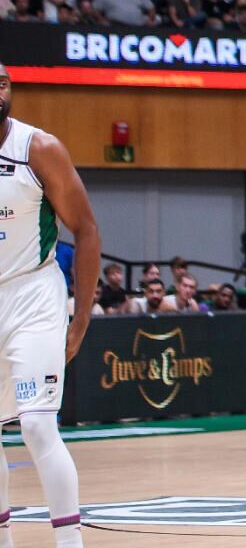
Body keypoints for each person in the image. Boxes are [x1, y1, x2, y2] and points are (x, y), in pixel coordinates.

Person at [0, 61, 102, 548]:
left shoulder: (38, 148)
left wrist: (79, 317)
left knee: (37, 425)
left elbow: (85, 230)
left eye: (2, 82)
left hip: (33, 294)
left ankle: (70, 544)